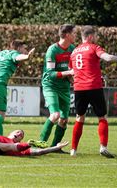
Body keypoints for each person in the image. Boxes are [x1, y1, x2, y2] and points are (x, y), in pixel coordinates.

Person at [69, 26, 117, 158]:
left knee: (79, 118)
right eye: (95, 36)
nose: (96, 38)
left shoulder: (74, 52)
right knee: (102, 117)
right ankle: (103, 147)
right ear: (90, 36)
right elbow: (107, 58)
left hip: (79, 88)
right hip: (94, 87)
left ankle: (73, 150)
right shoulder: (94, 47)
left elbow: (72, 71)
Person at [0, 105, 69, 156]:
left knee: (5, 146)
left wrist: (55, 147)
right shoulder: (0, 137)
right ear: (10, 133)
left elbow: (39, 151)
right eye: (18, 132)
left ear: (20, 141)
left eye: (21, 135)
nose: (19, 133)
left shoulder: (18, 148)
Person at [39, 24, 76, 152]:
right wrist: (69, 73)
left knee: (64, 120)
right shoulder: (52, 50)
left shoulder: (72, 49)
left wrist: (74, 79)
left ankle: (55, 147)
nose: (75, 35)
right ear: (67, 35)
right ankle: (40, 145)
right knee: (55, 115)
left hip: (64, 87)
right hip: (51, 86)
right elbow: (50, 74)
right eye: (74, 33)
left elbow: (73, 70)